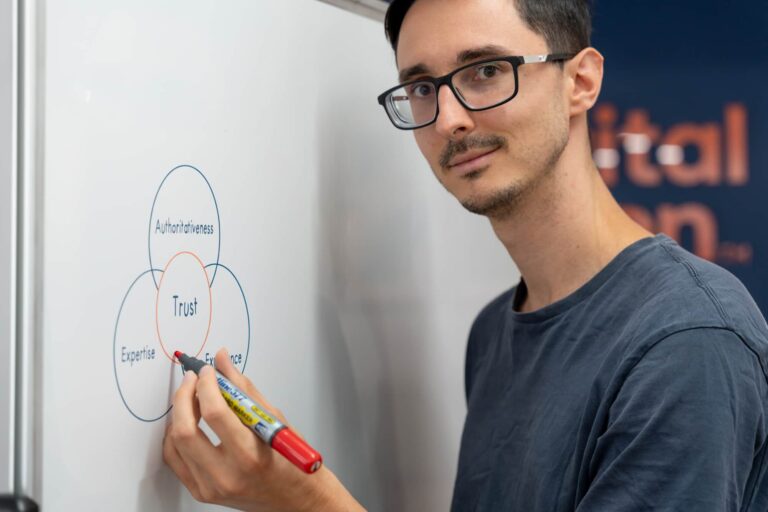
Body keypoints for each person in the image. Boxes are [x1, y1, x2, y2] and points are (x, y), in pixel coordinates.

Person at [163, 0, 768, 510]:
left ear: (580, 81)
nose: (448, 119)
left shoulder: (687, 340)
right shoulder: (494, 332)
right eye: (423, 88)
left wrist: (307, 500)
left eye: (486, 71)